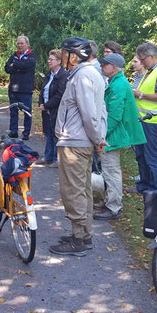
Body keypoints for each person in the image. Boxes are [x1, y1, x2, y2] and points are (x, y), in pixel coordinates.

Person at [49, 37, 107, 257]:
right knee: (83, 190)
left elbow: (89, 113)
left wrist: (97, 139)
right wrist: (97, 138)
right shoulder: (90, 74)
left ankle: (78, 240)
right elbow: (98, 111)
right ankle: (85, 235)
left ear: (74, 55)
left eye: (65, 53)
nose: (62, 57)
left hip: (75, 143)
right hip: (80, 141)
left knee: (73, 191)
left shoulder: (83, 76)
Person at [93, 53, 146, 221]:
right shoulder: (116, 82)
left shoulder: (119, 84)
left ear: (114, 67)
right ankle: (108, 201)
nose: (102, 67)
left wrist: (100, 135)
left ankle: (114, 207)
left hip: (113, 135)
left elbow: (114, 115)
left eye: (105, 65)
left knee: (111, 170)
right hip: (112, 134)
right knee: (108, 170)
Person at [131, 42, 157, 193]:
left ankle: (154, 190)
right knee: (141, 155)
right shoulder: (150, 70)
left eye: (143, 59)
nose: (141, 62)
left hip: (152, 121)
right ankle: (143, 186)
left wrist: (140, 94)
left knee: (151, 157)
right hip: (143, 120)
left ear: (151, 56)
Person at [36, 49, 68, 168]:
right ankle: (47, 157)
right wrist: (41, 102)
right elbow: (42, 90)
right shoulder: (49, 74)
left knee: (56, 134)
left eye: (51, 59)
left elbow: (60, 95)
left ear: (59, 61)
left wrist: (47, 105)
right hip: (46, 109)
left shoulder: (63, 76)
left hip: (56, 109)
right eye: (48, 59)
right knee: (48, 133)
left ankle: (56, 159)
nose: (49, 61)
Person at [4, 36, 36, 140]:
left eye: (21, 43)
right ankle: (13, 131)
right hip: (13, 89)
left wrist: (15, 65)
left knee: (27, 112)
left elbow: (28, 65)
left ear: (27, 44)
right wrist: (18, 67)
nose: (19, 45)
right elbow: (7, 68)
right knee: (13, 111)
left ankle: (26, 132)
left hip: (25, 90)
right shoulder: (14, 55)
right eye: (18, 43)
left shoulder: (31, 55)